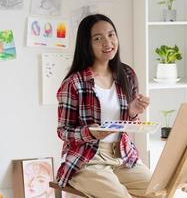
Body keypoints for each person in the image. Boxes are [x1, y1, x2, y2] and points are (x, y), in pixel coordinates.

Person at [56, 14, 160, 198]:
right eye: (98, 38)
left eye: (111, 35)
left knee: (160, 192)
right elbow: (63, 131)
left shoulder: (127, 74)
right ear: (86, 44)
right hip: (88, 159)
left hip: (123, 156)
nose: (107, 42)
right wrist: (90, 132)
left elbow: (126, 125)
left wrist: (133, 112)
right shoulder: (74, 83)